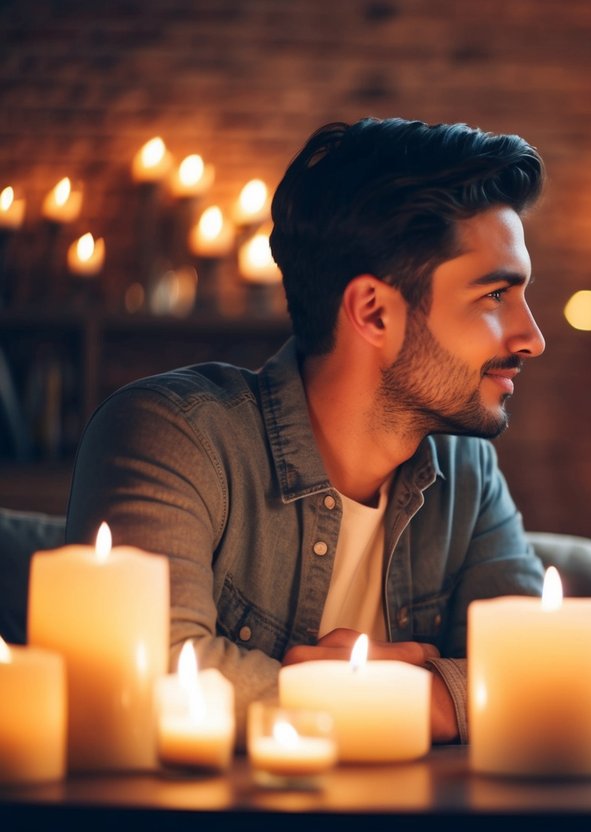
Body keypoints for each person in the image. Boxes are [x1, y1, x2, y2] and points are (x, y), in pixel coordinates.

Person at [65, 117, 548, 744]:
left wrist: (398, 693)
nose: (532, 337)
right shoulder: (172, 435)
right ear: (373, 311)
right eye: (494, 297)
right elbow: (145, 677)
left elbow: (551, 673)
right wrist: (428, 696)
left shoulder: (467, 472)